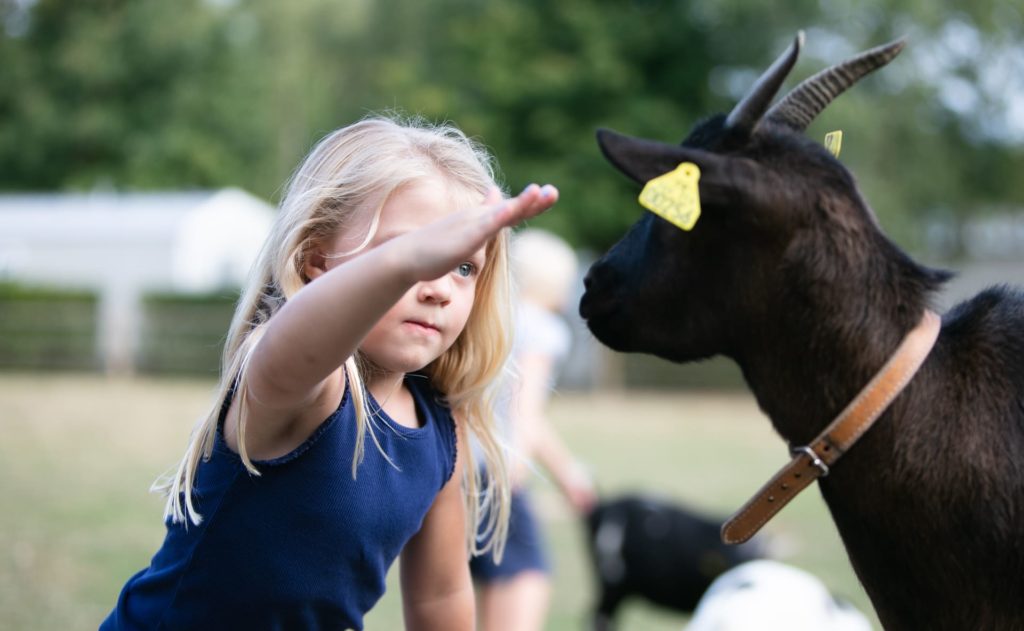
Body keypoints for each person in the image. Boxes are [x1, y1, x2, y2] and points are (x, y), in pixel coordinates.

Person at [100, 115, 559, 631]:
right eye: (409, 253)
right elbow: (298, 340)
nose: (439, 286)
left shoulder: (440, 427)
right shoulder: (307, 384)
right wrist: (404, 262)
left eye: (463, 266)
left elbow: (440, 596)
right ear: (317, 258)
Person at [469, 228, 597, 631]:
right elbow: (526, 414)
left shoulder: (490, 315)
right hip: (499, 474)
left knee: (489, 583)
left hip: (461, 470)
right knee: (527, 577)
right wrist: (535, 478)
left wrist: (562, 473)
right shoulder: (541, 328)